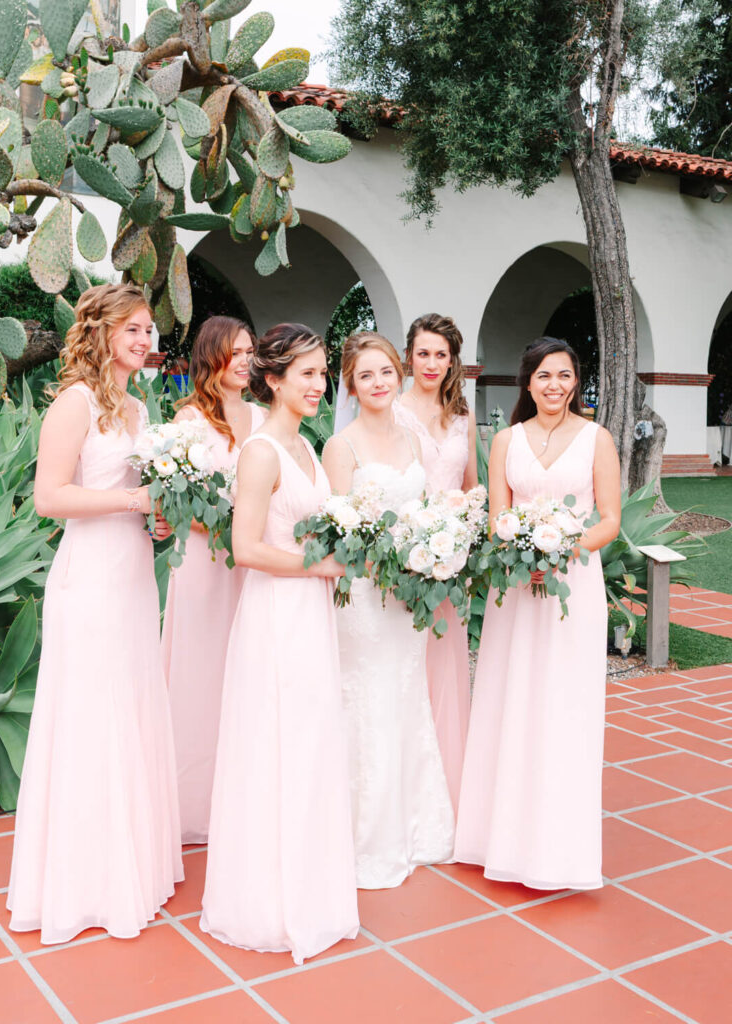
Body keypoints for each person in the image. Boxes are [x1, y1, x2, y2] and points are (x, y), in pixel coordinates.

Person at [7, 283, 183, 943]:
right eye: (132, 329)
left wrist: (159, 518)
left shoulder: (139, 409)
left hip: (134, 577)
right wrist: (135, 504)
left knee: (130, 705)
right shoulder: (74, 403)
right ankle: (85, 881)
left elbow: (139, 493)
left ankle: (130, 863)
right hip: (89, 582)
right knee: (91, 713)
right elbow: (49, 497)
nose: (144, 341)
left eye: (148, 331)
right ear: (102, 333)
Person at [200, 323, 358, 965]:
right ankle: (268, 901)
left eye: (323, 373)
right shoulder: (262, 450)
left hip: (310, 615)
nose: (320, 385)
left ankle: (311, 888)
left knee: (312, 742)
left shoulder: (307, 448)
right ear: (273, 380)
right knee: (277, 743)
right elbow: (243, 549)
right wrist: (316, 567)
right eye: (308, 375)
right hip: (275, 616)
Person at [455, 337, 621, 890]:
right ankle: (496, 836)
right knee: (512, 698)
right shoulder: (505, 440)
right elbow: (498, 515)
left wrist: (563, 550)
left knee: (564, 704)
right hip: (516, 589)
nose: (555, 386)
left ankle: (559, 849)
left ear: (577, 382)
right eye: (545, 376)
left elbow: (609, 520)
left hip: (573, 583)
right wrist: (519, 554)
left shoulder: (598, 439)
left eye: (565, 376)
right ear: (527, 382)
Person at [323, 331, 455, 890]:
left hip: (409, 598)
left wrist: (434, 551)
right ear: (351, 385)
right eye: (366, 374)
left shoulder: (412, 441)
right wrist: (381, 568)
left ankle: (417, 827)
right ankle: (364, 838)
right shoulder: (341, 447)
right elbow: (337, 532)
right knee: (369, 700)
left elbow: (424, 511)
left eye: (385, 372)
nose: (378, 383)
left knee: (406, 696)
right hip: (365, 599)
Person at [161, 316, 265, 844]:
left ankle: (244, 796)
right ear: (212, 356)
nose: (245, 359)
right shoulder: (188, 421)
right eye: (235, 351)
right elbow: (175, 501)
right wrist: (230, 530)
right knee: (202, 674)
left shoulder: (266, 418)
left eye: (250, 350)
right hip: (206, 563)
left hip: (255, 568)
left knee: (248, 672)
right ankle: (194, 808)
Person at [395, 313, 479, 812]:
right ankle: (406, 787)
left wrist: (462, 538)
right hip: (403, 557)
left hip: (449, 563)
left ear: (453, 361)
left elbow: (471, 491)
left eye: (440, 355)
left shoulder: (462, 417)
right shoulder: (393, 409)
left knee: (444, 665)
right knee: (404, 664)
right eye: (423, 353)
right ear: (409, 356)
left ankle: (445, 786)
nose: (431, 363)